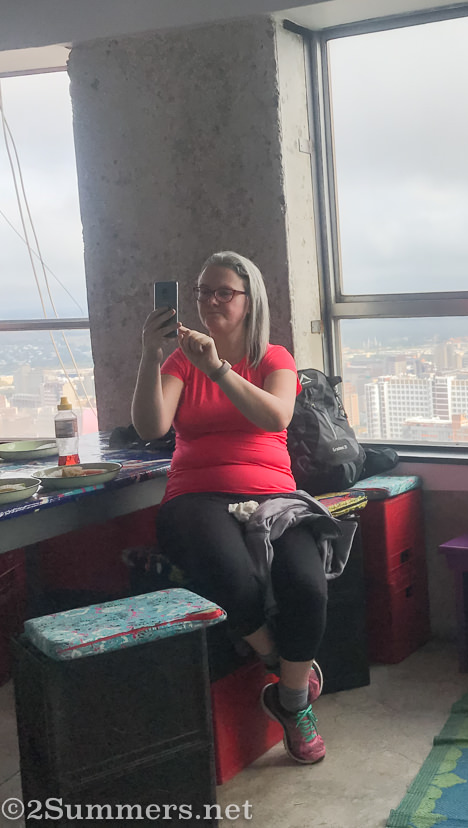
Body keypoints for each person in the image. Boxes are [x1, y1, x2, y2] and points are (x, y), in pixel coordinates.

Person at [132, 250, 331, 765]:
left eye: (225, 292)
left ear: (249, 300)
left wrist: (218, 370)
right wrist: (151, 356)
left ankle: (290, 702)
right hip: (196, 494)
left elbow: (275, 416)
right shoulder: (181, 360)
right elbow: (151, 427)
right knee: (232, 576)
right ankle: (280, 665)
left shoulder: (273, 358)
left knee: (308, 585)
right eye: (204, 292)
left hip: (274, 497)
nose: (211, 301)